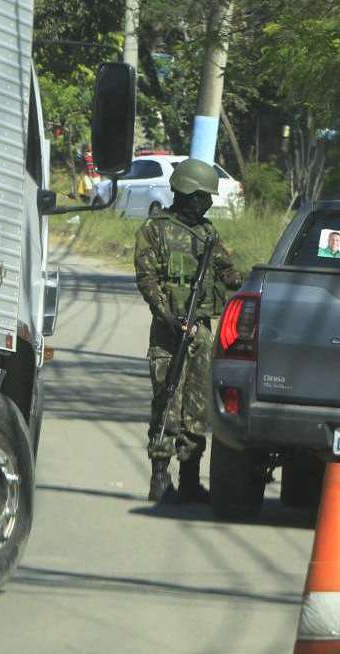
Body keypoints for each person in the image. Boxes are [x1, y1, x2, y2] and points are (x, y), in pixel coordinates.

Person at [134, 158, 244, 503]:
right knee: (167, 401)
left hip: (201, 333)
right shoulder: (154, 230)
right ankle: (160, 477)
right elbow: (147, 280)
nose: (208, 203)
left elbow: (229, 273)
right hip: (168, 334)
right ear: (185, 194)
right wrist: (169, 317)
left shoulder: (209, 234)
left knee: (196, 409)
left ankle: (191, 479)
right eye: (202, 197)